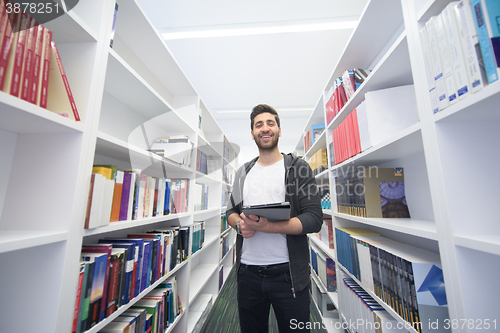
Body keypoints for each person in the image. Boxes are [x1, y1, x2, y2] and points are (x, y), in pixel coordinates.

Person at [226, 104, 323, 332]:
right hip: (247, 274)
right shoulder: (243, 173)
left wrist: (269, 227)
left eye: (270, 123)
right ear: (252, 134)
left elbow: (313, 218)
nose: (265, 128)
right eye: (259, 125)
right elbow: (229, 212)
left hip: (289, 275)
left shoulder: (298, 168)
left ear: (279, 130)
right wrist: (239, 225)